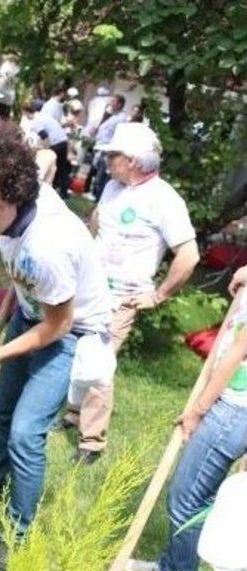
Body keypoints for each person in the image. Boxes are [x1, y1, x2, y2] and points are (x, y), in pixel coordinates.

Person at [0, 122, 112, 571]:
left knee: (25, 433)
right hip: (30, 311)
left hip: (72, 333)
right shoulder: (12, 195)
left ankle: (18, 538)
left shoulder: (49, 245)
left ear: (17, 193)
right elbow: (39, 160)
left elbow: (59, 325)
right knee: (2, 409)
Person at [64, 123, 199, 463]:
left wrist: (158, 295)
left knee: (98, 363)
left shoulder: (165, 200)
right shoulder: (112, 186)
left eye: (114, 155)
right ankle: (71, 414)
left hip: (121, 296)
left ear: (136, 160)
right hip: (89, 285)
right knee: (74, 348)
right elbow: (96, 224)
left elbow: (189, 256)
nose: (107, 161)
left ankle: (91, 442)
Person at [128, 274, 247, 571]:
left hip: (233, 409)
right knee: (194, 494)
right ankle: (170, 565)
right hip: (228, 403)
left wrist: (198, 410)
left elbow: (236, 352)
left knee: (187, 498)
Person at [25, 98, 71, 200]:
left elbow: (45, 137)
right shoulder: (43, 115)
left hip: (56, 143)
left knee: (51, 166)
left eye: (25, 114)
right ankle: (64, 193)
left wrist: (46, 149)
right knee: (62, 168)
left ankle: (49, 191)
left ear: (27, 112)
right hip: (63, 140)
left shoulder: (36, 121)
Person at [89, 93, 128, 199]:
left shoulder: (121, 118)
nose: (110, 104)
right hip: (100, 146)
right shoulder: (111, 115)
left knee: (101, 175)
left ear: (119, 104)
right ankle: (96, 196)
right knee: (97, 172)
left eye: (113, 102)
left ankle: (98, 198)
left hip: (108, 149)